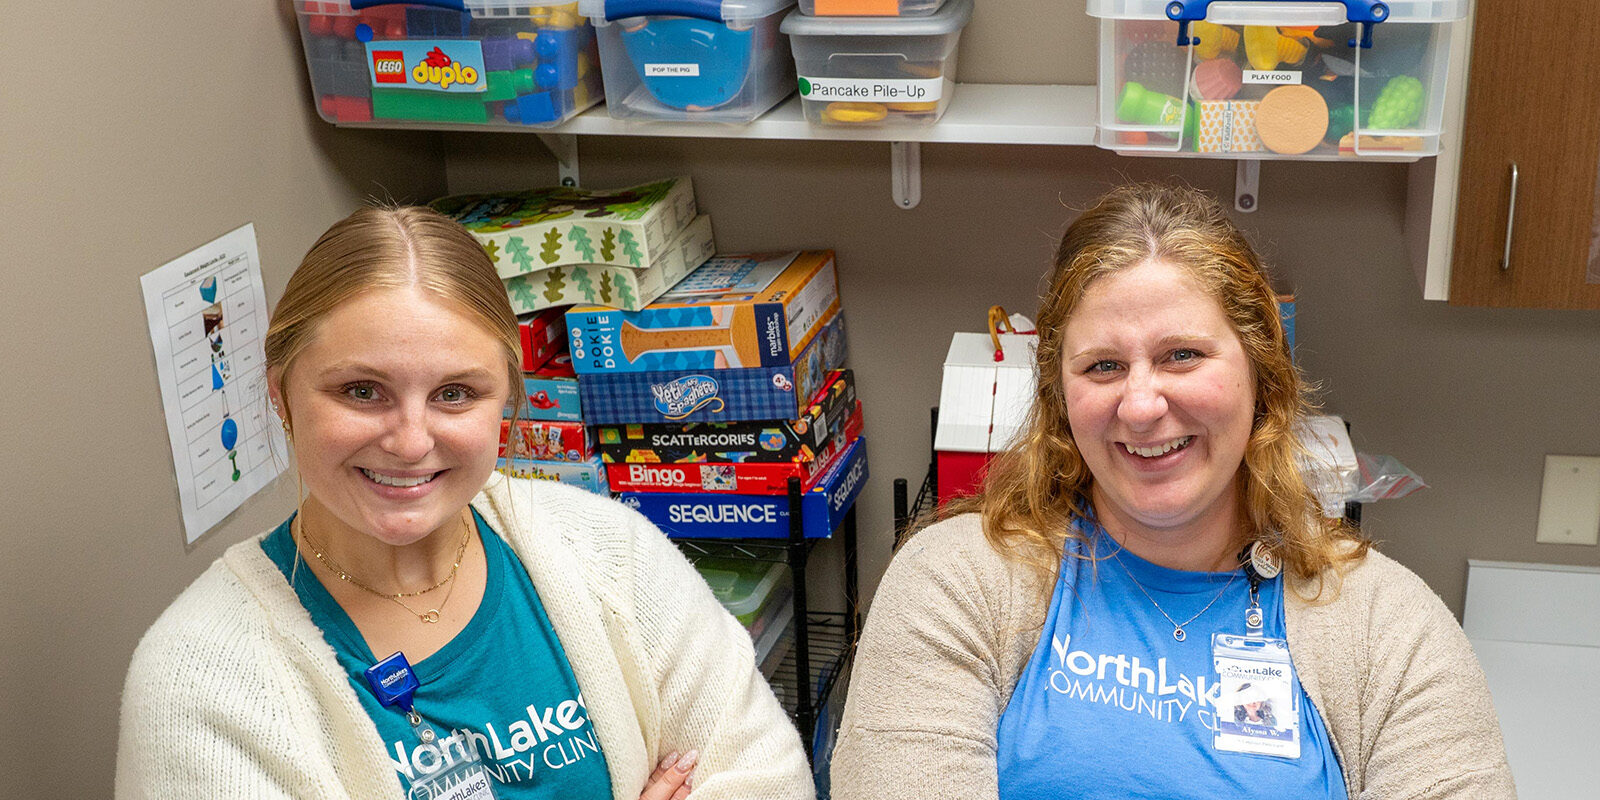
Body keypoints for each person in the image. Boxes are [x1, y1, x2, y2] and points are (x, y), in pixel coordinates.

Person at [831, 183, 1515, 799]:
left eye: (1180, 355)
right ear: (1059, 398)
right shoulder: (953, 584)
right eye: (1103, 365)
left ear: (1261, 375)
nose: (1140, 405)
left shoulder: (1389, 628)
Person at [116, 206, 813, 800]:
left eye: (455, 394)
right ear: (280, 394)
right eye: (362, 391)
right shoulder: (201, 682)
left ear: (506, 401)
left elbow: (768, 777)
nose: (411, 440)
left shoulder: (608, 552)